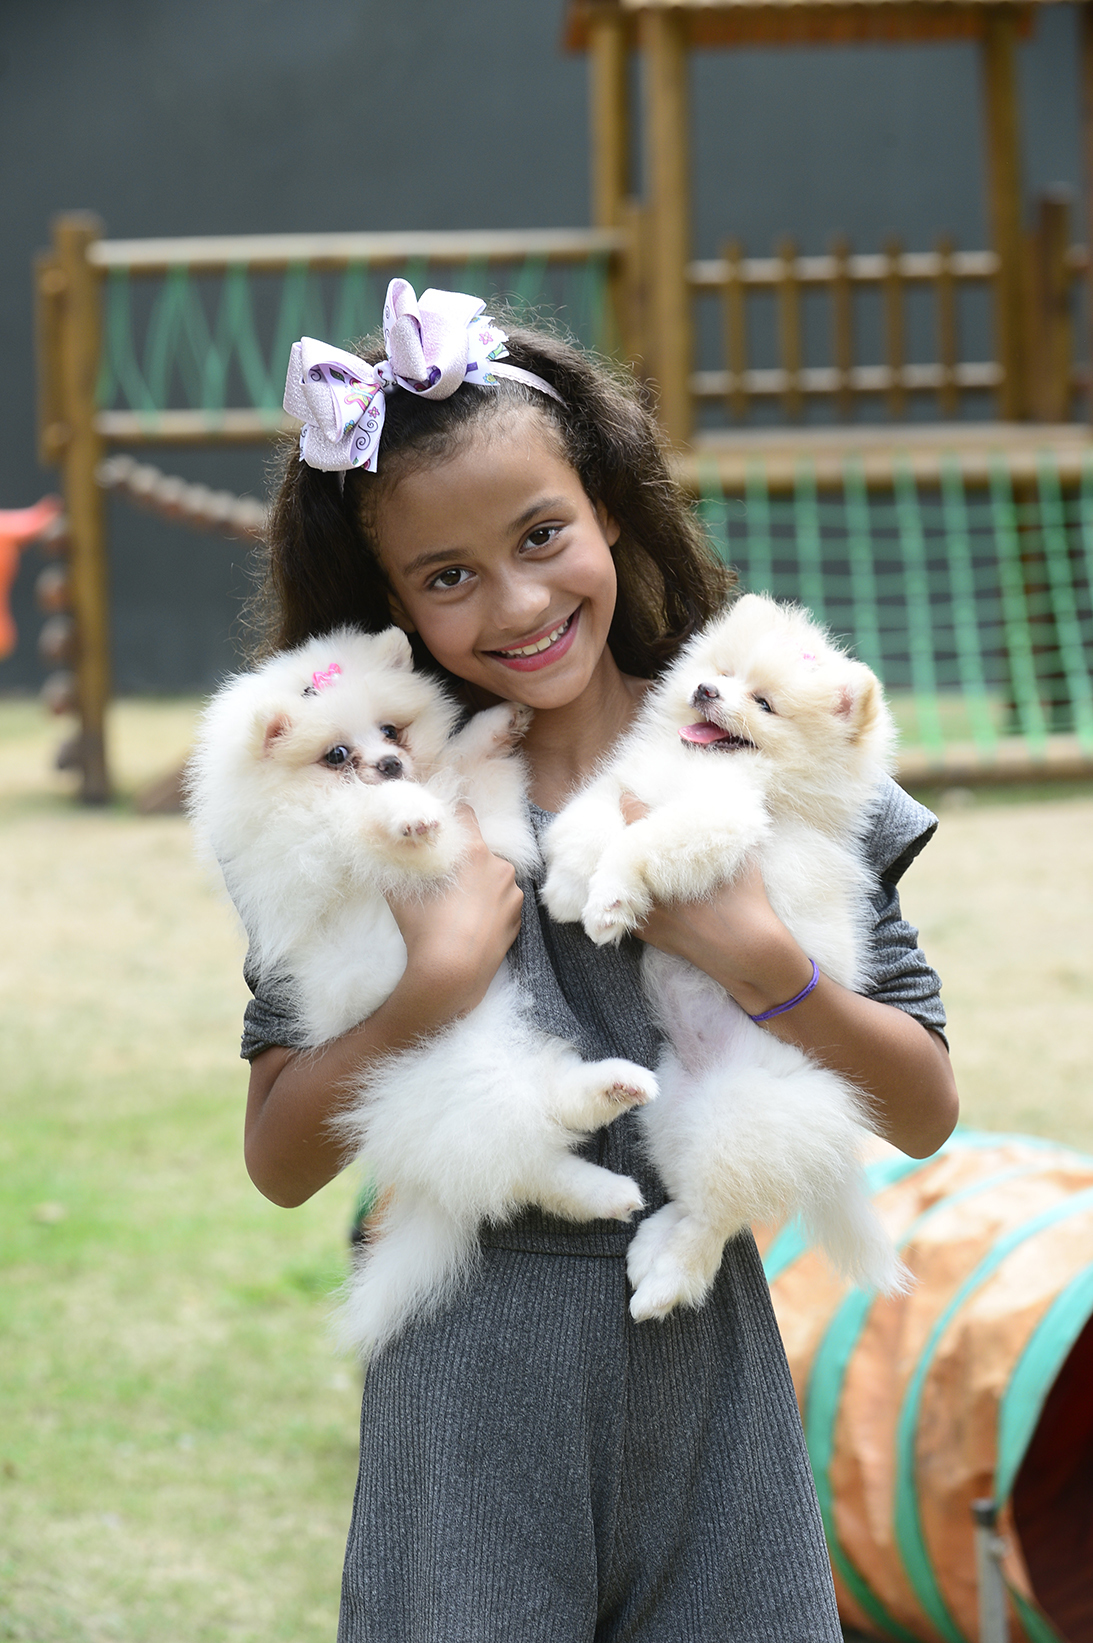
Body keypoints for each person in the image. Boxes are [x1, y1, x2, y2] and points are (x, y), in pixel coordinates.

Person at [242, 282, 959, 1643]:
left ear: (611, 508)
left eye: (541, 536)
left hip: (706, 1377)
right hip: (465, 1379)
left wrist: (765, 963)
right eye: (447, 577)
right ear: (391, 602)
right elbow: (279, 1159)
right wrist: (430, 993)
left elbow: (923, 1107)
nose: (517, 602)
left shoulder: (785, 751)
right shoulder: (369, 804)